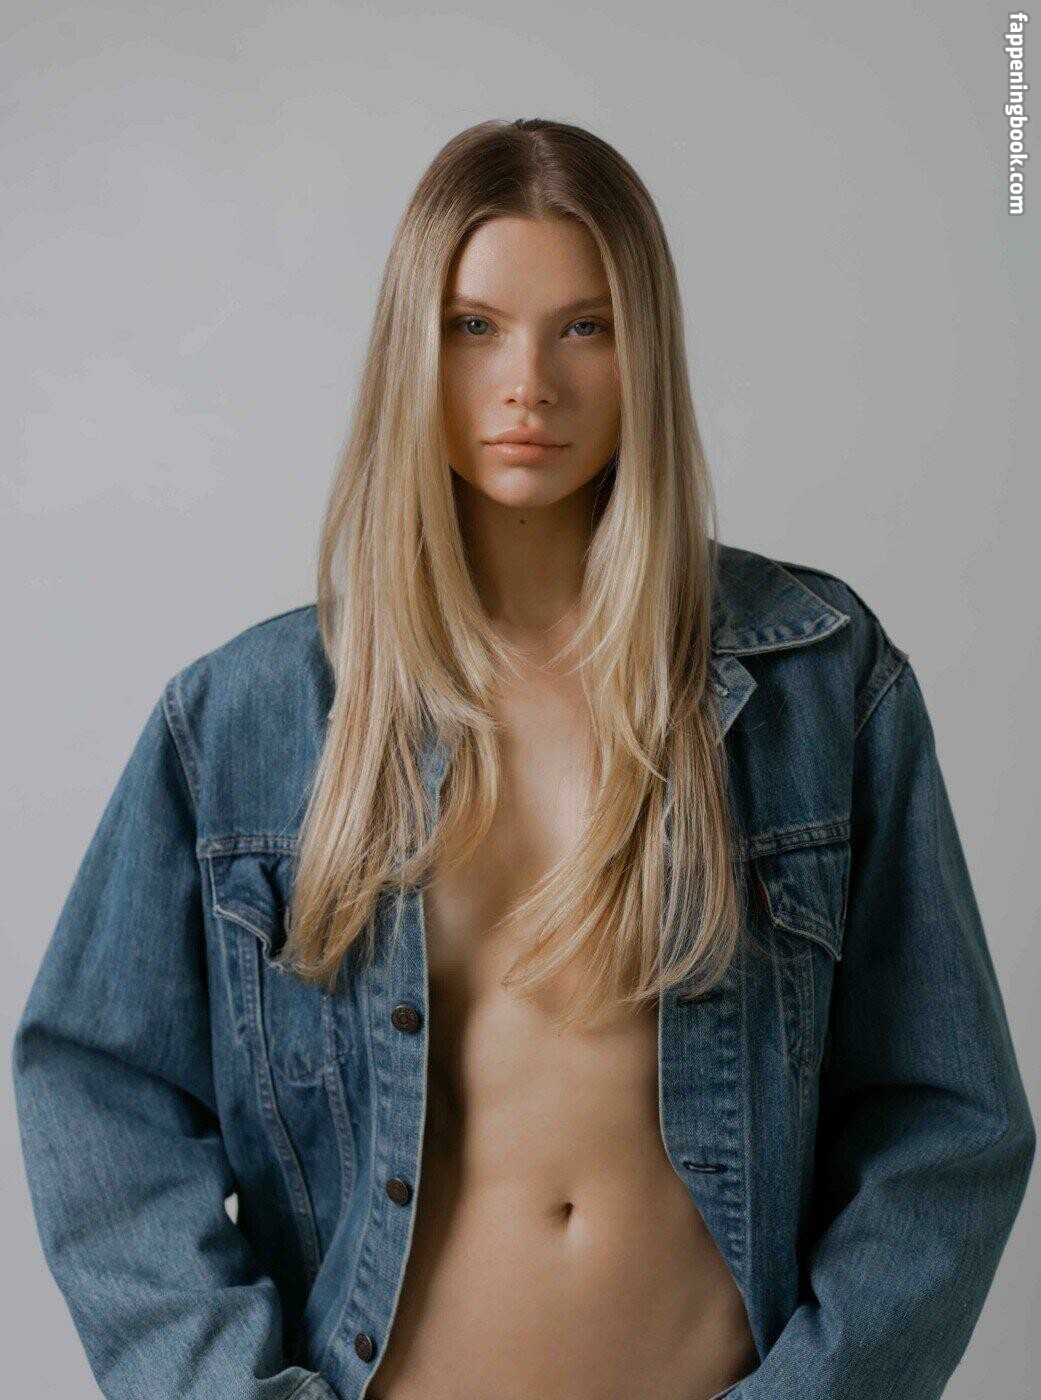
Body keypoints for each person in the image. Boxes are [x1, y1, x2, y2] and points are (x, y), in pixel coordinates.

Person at [11, 118, 1034, 1400]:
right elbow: (95, 1086)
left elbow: (950, 1119)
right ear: (411, 350)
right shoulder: (244, 717)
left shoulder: (818, 682)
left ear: (646, 349)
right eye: (474, 326)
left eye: (584, 327)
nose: (528, 384)